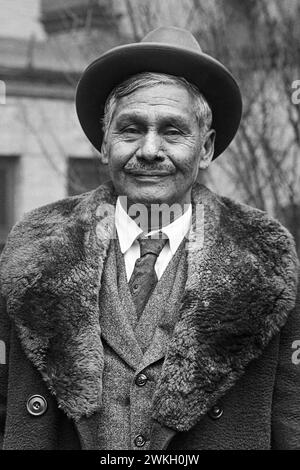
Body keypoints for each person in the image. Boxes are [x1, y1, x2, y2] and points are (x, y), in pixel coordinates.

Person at [0, 26, 299, 451]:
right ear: (104, 145)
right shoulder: (33, 256)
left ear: (206, 148)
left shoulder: (266, 264)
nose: (150, 150)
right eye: (131, 130)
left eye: (173, 131)